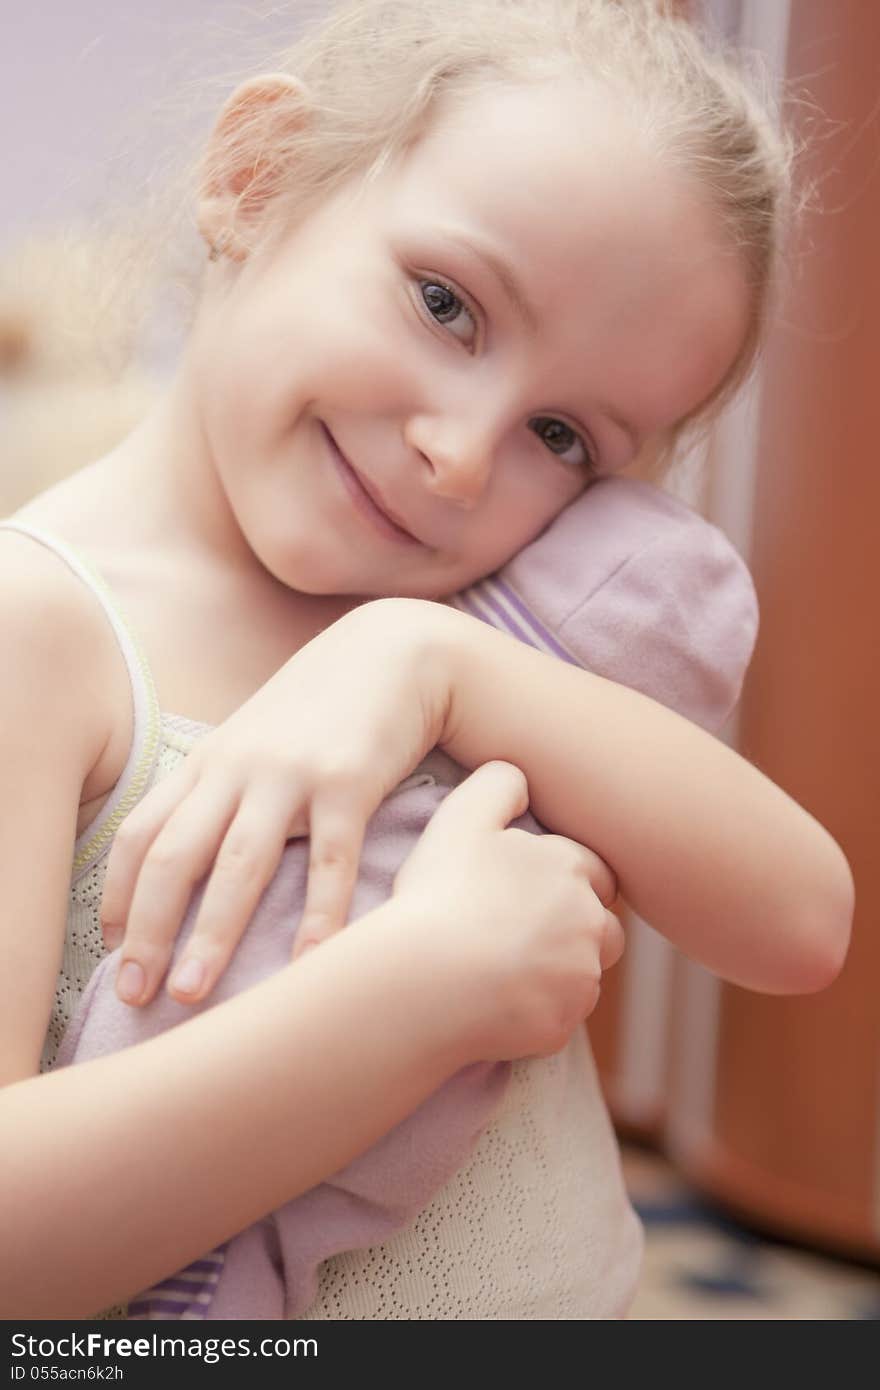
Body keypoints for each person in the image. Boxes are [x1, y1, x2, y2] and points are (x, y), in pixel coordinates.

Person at [0, 0, 852, 1320]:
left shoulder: (480, 618)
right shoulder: (38, 627)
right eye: (447, 305)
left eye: (564, 436)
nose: (463, 452)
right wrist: (420, 994)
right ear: (256, 175)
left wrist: (440, 664)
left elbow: (802, 923)